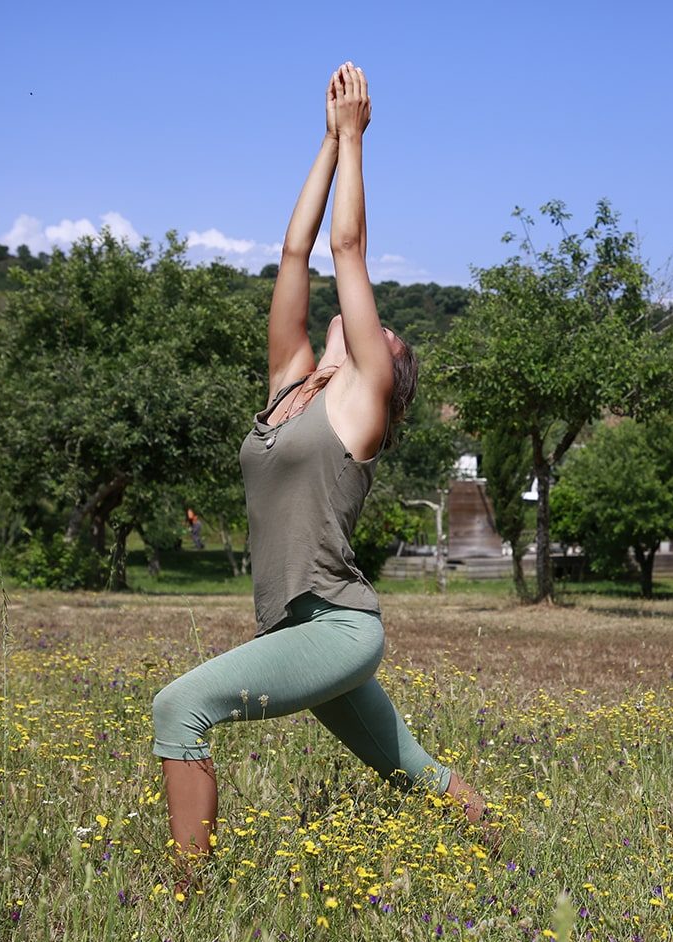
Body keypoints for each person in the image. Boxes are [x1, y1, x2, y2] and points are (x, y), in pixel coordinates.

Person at [152, 63, 487, 878]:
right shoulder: (291, 387)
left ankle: (184, 903)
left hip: (336, 627)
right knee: (414, 770)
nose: (375, 329)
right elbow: (297, 248)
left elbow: (345, 245)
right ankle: (506, 854)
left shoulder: (360, 406)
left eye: (387, 338)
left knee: (178, 706)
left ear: (384, 371)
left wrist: (358, 142)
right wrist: (327, 140)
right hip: (296, 629)